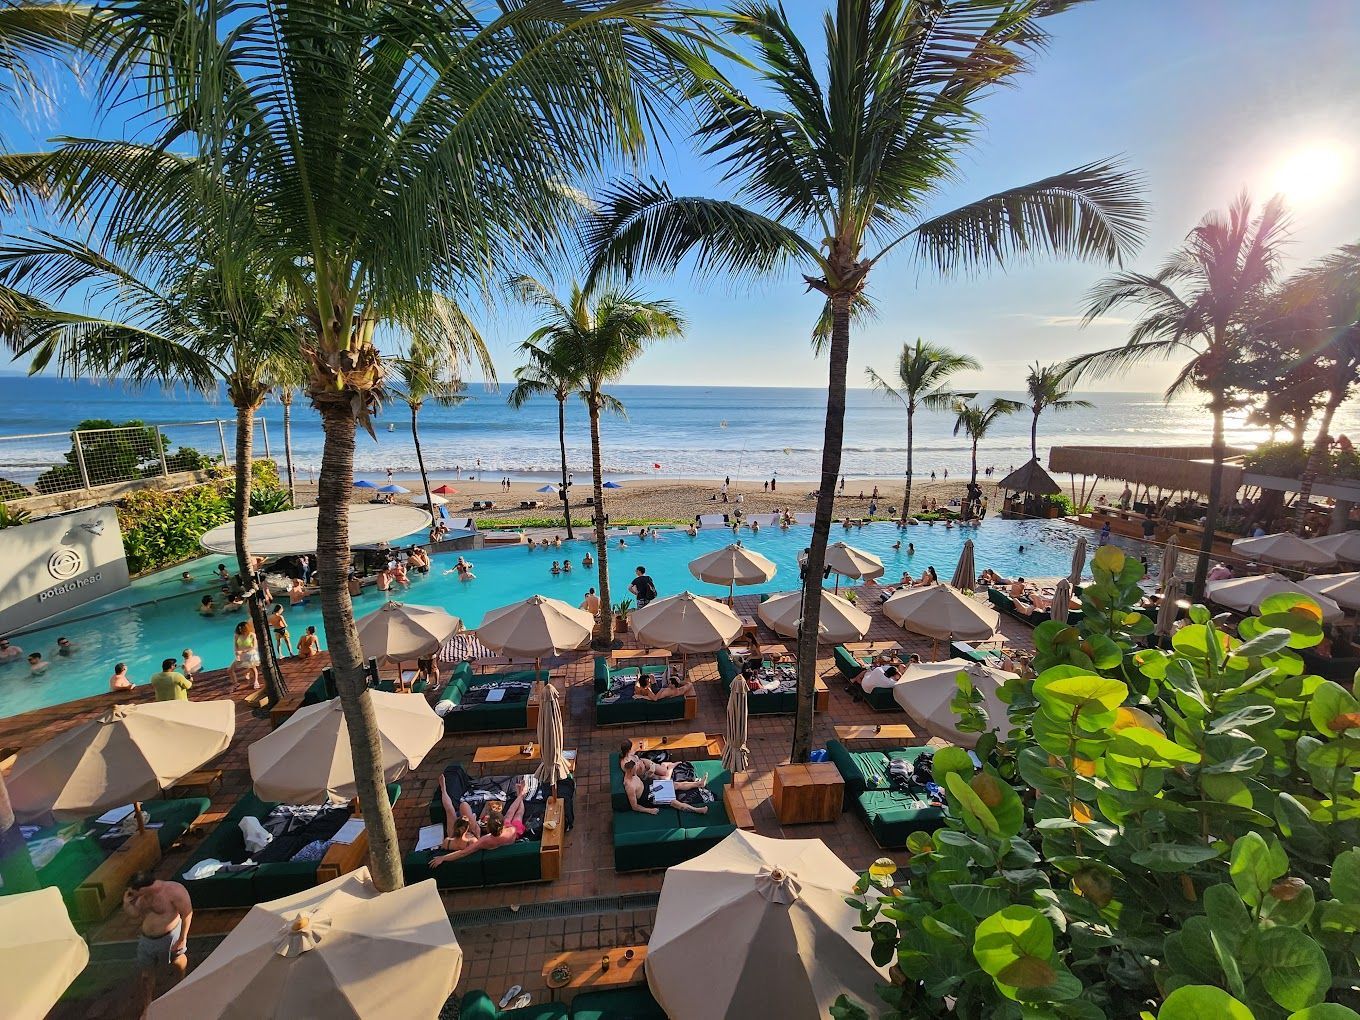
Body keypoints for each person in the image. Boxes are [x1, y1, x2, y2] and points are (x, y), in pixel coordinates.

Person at [124, 873, 193, 1010]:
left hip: (169, 936)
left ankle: (182, 983)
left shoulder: (174, 891)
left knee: (177, 960)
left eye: (133, 892)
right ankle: (147, 1005)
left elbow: (187, 913)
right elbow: (134, 914)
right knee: (146, 976)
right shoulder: (140, 897)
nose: (131, 895)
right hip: (147, 939)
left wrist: (182, 939)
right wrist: (127, 904)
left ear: (142, 889)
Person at [430, 779, 530, 867]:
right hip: (509, 835)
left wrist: (443, 858)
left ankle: (521, 794)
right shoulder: (511, 830)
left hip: (497, 837)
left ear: (488, 829)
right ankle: (521, 795)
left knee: (513, 814)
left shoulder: (484, 840)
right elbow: (510, 813)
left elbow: (463, 853)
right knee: (517, 814)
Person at [621, 757, 708, 816]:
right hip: (649, 797)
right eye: (635, 769)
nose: (637, 770)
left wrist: (649, 774)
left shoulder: (632, 774)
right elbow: (635, 806)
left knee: (675, 784)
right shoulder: (630, 786)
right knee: (674, 802)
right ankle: (698, 810)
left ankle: (699, 784)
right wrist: (650, 811)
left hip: (651, 787)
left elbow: (642, 779)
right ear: (631, 770)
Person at [231, 621, 260, 690]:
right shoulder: (237, 635)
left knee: (253, 668)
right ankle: (236, 683)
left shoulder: (252, 635)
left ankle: (256, 681)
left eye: (242, 628)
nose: (240, 630)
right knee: (230, 670)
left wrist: (243, 651)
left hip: (251, 654)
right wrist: (237, 653)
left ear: (246, 628)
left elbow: (254, 646)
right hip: (241, 655)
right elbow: (235, 646)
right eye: (239, 629)